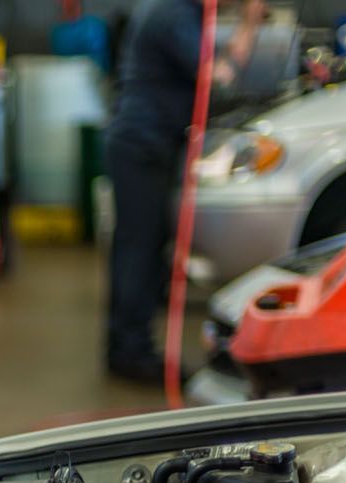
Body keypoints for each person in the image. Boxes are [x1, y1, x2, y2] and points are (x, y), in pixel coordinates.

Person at [104, 0, 267, 381]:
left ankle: (127, 347)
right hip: (143, 145)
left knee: (140, 248)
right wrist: (248, 25)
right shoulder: (173, 14)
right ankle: (131, 353)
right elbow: (217, 77)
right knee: (138, 250)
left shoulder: (177, 11)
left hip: (147, 144)